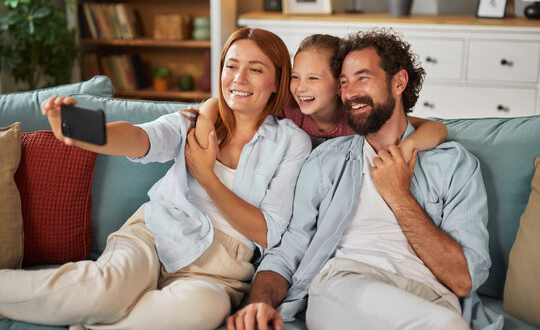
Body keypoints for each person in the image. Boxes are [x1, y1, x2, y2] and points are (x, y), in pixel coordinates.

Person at [0, 28, 312, 330]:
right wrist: (79, 128)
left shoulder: (290, 142)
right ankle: (88, 305)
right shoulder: (193, 121)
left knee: (203, 310)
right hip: (156, 233)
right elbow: (141, 138)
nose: (239, 79)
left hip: (221, 268)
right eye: (231, 66)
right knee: (106, 289)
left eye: (255, 69)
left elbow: (267, 231)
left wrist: (207, 177)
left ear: (277, 82)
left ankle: (88, 318)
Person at [226, 29, 503, 330]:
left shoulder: (454, 165)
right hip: (347, 281)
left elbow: (463, 280)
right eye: (344, 82)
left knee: (446, 320)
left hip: (433, 296)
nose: (350, 92)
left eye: (363, 78)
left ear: (398, 82)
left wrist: (398, 195)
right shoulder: (326, 161)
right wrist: (259, 301)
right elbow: (288, 248)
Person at [197, 34, 447, 159]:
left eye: (313, 79)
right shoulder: (287, 106)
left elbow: (437, 128)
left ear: (339, 85)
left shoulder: (355, 115)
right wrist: (205, 119)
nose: (300, 88)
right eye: (296, 77)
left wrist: (407, 148)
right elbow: (222, 105)